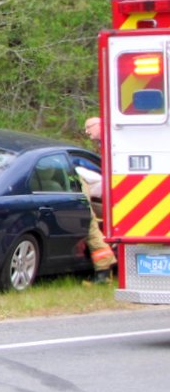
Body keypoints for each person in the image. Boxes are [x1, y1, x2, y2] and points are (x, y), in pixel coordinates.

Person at [77, 116, 116, 285]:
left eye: (89, 127)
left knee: (92, 229)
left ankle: (104, 274)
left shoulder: (112, 140)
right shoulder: (105, 143)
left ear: (100, 124)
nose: (86, 132)